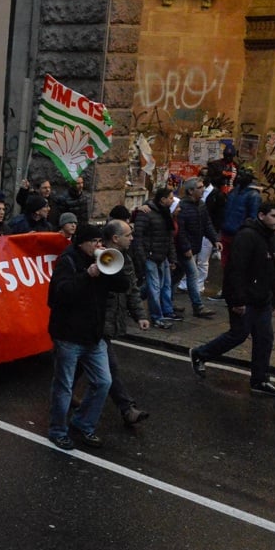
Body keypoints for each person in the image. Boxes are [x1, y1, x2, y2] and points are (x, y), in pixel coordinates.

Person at [46, 222, 126, 450]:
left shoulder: (101, 261)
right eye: (95, 242)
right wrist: (86, 276)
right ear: (82, 242)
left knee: (103, 382)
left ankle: (83, 422)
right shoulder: (68, 261)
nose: (99, 246)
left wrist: (113, 267)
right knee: (64, 387)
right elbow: (58, 295)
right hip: (68, 335)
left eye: (101, 242)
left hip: (93, 335)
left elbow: (124, 285)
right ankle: (58, 430)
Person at [190, 201, 275, 396]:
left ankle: (260, 380)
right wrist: (238, 300)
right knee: (238, 335)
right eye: (274, 216)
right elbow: (235, 271)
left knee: (265, 339)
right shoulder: (247, 236)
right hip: (245, 298)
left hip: (263, 299)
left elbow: (273, 271)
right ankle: (200, 353)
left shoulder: (272, 239)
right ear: (261, 215)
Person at [98, 219, 150, 426]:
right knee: (109, 368)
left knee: (82, 367)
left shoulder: (125, 259)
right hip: (98, 324)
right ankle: (127, 409)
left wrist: (140, 315)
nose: (132, 238)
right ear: (115, 238)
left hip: (111, 322)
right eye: (128, 235)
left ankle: (64, 396)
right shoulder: (101, 257)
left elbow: (132, 290)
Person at [133, 186, 180, 330]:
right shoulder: (146, 213)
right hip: (151, 255)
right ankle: (157, 317)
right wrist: (143, 256)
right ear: (163, 199)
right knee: (154, 288)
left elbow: (168, 238)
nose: (173, 201)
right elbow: (138, 236)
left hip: (162, 255)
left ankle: (164, 310)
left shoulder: (166, 214)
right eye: (171, 198)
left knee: (163, 285)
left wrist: (172, 258)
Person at [174, 177, 220, 318]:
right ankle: (198, 306)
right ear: (190, 191)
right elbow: (180, 230)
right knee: (193, 274)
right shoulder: (182, 206)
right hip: (183, 249)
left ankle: (162, 300)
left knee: (175, 277)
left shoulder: (201, 205)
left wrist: (215, 240)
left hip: (193, 247)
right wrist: (186, 247)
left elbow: (207, 224)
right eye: (199, 187)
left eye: (202, 187)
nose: (202, 190)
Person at [218, 166, 261, 269]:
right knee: (226, 263)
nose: (238, 177)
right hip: (226, 232)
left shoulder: (253, 195)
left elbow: (253, 218)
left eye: (242, 175)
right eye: (238, 175)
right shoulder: (234, 191)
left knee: (237, 264)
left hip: (238, 235)